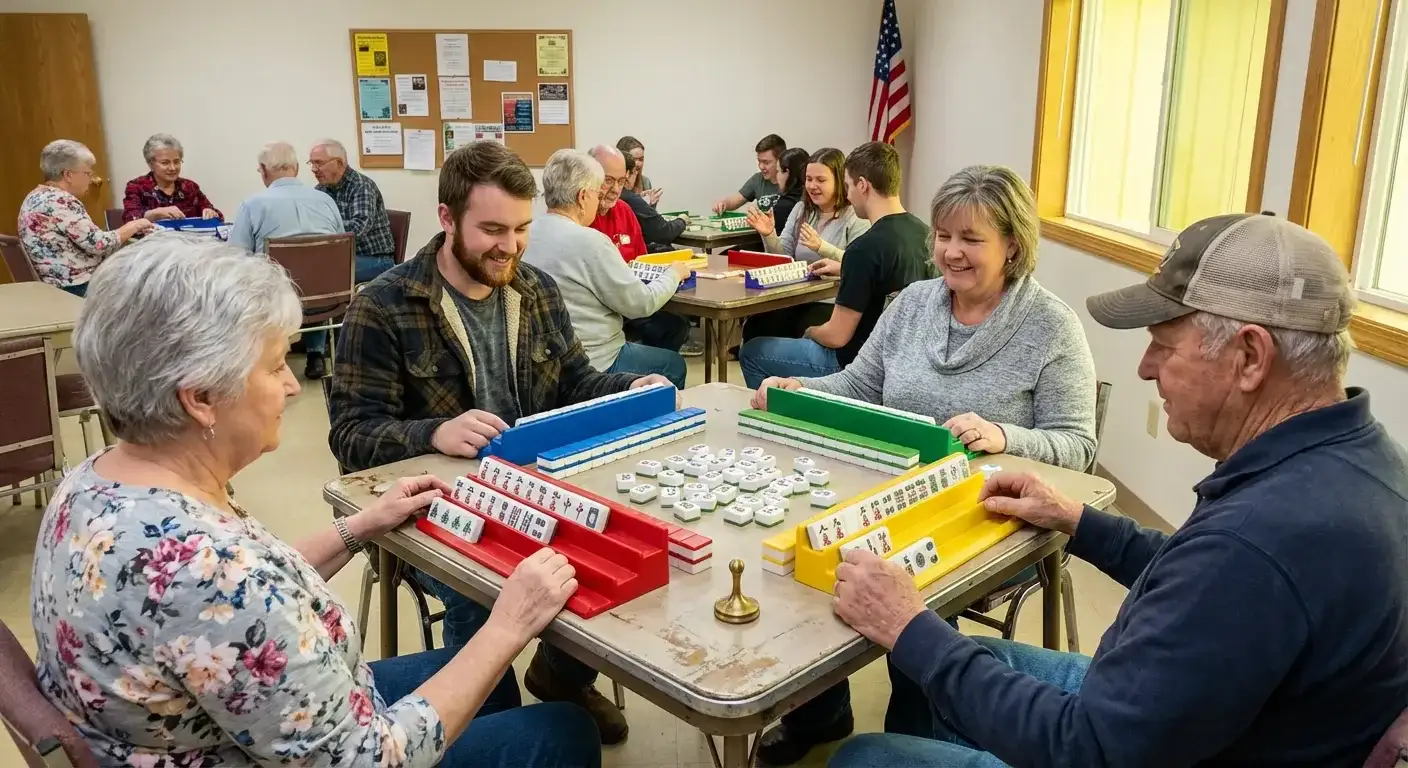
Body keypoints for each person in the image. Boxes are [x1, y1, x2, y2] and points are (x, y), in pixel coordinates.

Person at [827, 213, 1408, 768]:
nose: (1145, 368)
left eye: (1164, 345)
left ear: (1250, 357)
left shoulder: (1258, 542)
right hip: (1212, 717)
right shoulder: (1361, 460)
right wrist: (1077, 518)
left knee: (862, 757)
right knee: (954, 671)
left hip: (1133, 745)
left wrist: (908, 625)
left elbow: (1088, 751)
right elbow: (1198, 577)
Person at [32, 236, 601, 768]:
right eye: (275, 365)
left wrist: (360, 526)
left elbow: (231, 610)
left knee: (489, 683)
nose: (290, 386)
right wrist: (510, 625)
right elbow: (368, 758)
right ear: (201, 397)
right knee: (561, 730)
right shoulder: (211, 573)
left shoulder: (94, 482)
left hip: (212, 726)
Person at [748, 163, 1097, 766]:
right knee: (803, 547)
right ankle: (821, 712)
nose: (950, 252)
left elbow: (1078, 447)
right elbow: (860, 385)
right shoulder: (911, 303)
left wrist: (1004, 435)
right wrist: (799, 389)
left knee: (887, 578)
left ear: (1013, 245)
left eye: (971, 239)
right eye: (943, 235)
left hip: (987, 518)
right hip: (888, 493)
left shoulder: (1052, 327)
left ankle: (915, 739)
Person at [329, 140, 673, 745]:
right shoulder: (383, 306)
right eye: (491, 230)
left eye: (521, 229)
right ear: (446, 217)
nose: (510, 247)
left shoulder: (535, 290)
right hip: (437, 511)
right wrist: (432, 432)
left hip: (533, 489)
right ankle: (479, 718)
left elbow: (575, 381)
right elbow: (351, 437)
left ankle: (561, 675)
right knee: (479, 591)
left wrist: (628, 386)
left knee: (610, 549)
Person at [739, 142, 933, 390]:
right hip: (906, 361)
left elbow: (836, 336)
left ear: (862, 185)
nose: (848, 194)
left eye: (848, 186)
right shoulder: (926, 235)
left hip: (857, 364)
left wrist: (810, 332)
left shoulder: (863, 249)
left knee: (752, 352)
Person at [523, 148, 690, 388]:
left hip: (544, 361)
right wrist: (674, 273)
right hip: (596, 359)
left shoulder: (526, 233)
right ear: (583, 197)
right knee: (673, 365)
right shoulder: (590, 241)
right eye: (598, 189)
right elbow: (641, 304)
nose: (606, 193)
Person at [227, 141, 347, 380]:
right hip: (326, 298)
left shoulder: (252, 204)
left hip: (276, 300)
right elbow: (340, 246)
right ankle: (316, 354)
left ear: (263, 170)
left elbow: (235, 256)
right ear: (296, 168)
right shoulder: (326, 201)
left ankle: (267, 359)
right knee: (314, 274)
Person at [739, 147, 871, 345]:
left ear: (839, 181)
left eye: (821, 180)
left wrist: (821, 247)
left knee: (799, 328)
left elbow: (859, 265)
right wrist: (769, 234)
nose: (812, 186)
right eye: (809, 179)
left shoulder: (855, 216)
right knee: (755, 326)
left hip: (832, 303)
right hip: (795, 297)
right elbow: (784, 258)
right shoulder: (802, 209)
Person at [18, 139, 154, 296]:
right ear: (68, 174)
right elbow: (99, 244)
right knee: (147, 283)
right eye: (88, 174)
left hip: (55, 284)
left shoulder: (36, 196)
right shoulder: (60, 200)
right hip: (76, 287)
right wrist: (134, 226)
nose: (91, 180)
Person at [310, 138, 397, 283]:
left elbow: (357, 229)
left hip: (375, 260)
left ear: (339, 163)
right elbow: (314, 222)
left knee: (319, 271)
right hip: (341, 255)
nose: (314, 169)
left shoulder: (362, 186)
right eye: (311, 163)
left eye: (319, 163)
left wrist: (323, 226)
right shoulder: (321, 189)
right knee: (302, 265)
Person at [122, 133, 222, 222]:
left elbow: (219, 216)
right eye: (165, 163)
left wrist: (211, 213)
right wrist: (154, 214)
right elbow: (130, 218)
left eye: (176, 162)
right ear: (150, 163)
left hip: (188, 237)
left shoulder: (190, 187)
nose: (173, 168)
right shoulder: (137, 187)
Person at [585, 145, 647, 262]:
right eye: (608, 180)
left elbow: (642, 260)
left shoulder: (624, 211)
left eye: (621, 181)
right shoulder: (579, 215)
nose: (616, 190)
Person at [621, 150, 688, 250]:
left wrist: (643, 203)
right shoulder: (630, 199)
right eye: (636, 170)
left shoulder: (623, 197)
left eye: (641, 159)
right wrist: (682, 220)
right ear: (627, 174)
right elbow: (663, 232)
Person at [713, 134, 786, 214]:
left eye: (766, 162)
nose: (761, 166)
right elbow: (735, 200)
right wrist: (723, 204)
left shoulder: (793, 181)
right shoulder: (757, 179)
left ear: (780, 161)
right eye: (759, 161)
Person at [766, 146, 810, 239]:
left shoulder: (784, 206)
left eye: (778, 171)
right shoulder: (813, 200)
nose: (777, 176)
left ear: (786, 172)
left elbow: (778, 243)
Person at [616, 135, 662, 206]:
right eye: (633, 159)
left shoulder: (645, 182)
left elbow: (649, 211)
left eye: (641, 159)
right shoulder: (614, 183)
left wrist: (649, 202)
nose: (638, 164)